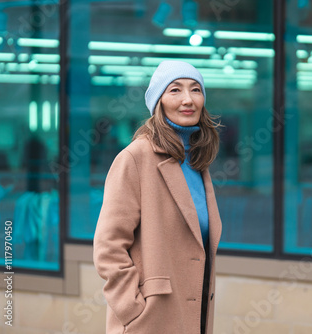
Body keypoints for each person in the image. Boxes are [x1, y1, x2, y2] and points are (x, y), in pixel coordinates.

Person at [93, 60, 222, 334]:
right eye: (175, 90)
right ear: (158, 102)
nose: (188, 99)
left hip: (193, 317)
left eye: (195, 90)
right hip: (152, 320)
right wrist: (134, 310)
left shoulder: (198, 162)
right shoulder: (135, 158)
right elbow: (108, 247)